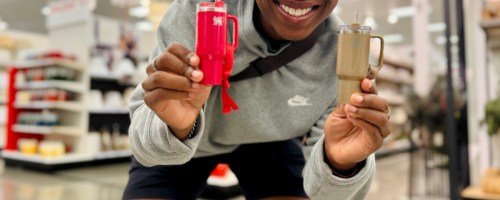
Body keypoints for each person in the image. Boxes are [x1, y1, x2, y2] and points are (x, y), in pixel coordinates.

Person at [123, 0, 391, 199]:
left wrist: (341, 163)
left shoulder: (341, 52)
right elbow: (146, 147)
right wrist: (173, 127)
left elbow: (329, 194)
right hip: (189, 142)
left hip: (270, 143)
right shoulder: (200, 12)